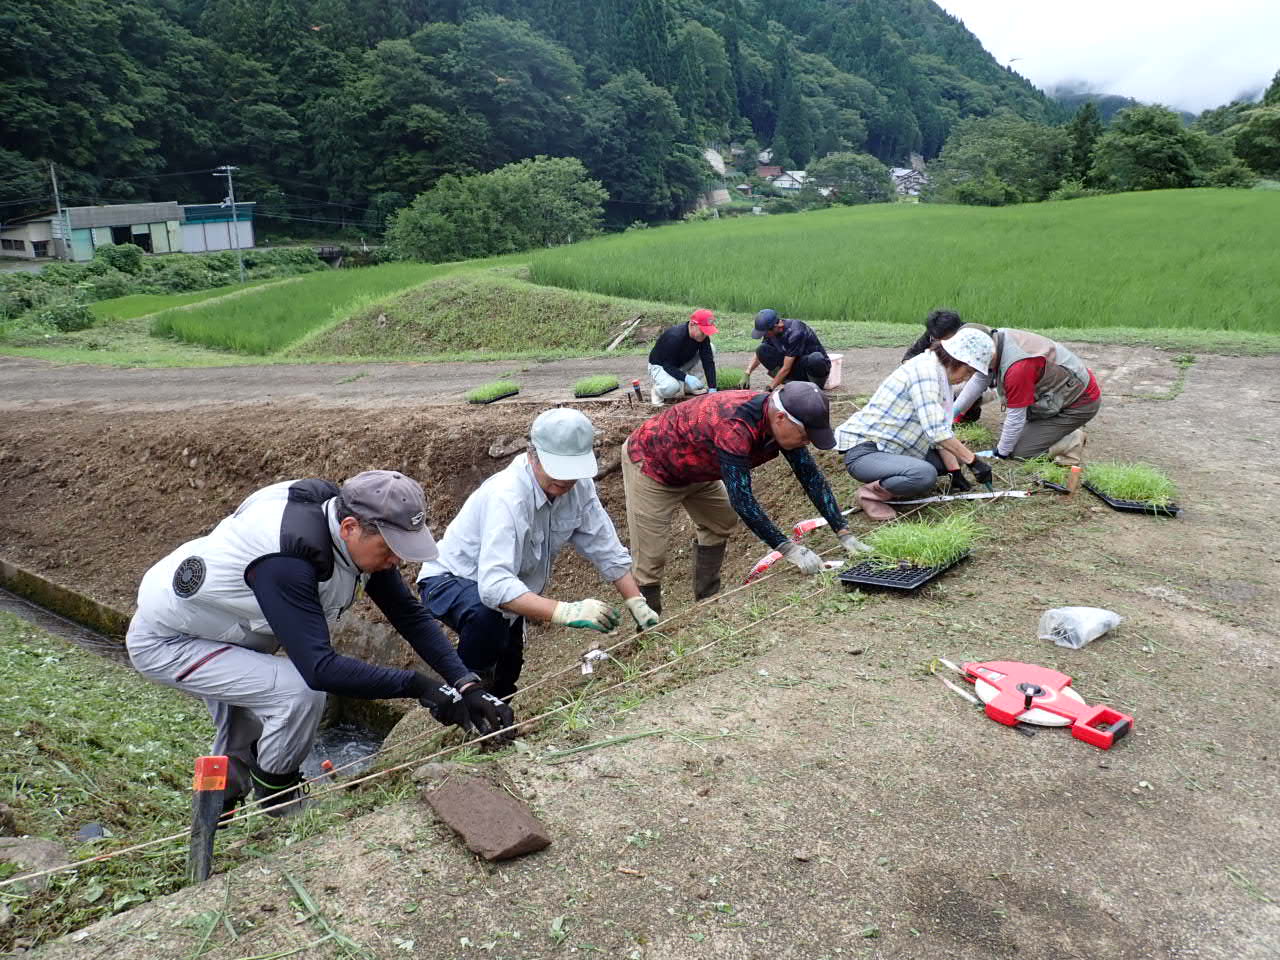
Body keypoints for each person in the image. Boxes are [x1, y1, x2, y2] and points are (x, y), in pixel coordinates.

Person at [126, 471, 513, 817]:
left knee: (245, 731)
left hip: (228, 625)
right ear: (350, 527)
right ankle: (279, 802)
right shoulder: (286, 560)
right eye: (390, 549)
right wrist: (423, 689)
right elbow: (318, 668)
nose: (397, 560)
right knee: (296, 693)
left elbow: (409, 616)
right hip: (172, 638)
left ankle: (219, 805)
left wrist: (466, 684)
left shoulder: (350, 529)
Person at [418, 408, 658, 700]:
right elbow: (493, 585)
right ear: (533, 455)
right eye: (557, 469)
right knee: (486, 622)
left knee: (508, 669)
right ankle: (464, 697)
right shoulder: (508, 496)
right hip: (450, 580)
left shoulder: (578, 487)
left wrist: (636, 601)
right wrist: (566, 611)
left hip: (509, 591)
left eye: (573, 471)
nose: (566, 481)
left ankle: (498, 716)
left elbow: (604, 545)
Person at [622, 381, 870, 613]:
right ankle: (649, 627)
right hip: (652, 465)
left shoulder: (782, 426)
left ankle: (707, 601)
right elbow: (743, 499)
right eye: (805, 436)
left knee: (720, 521)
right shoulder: (735, 426)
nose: (806, 442)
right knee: (650, 558)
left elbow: (810, 477)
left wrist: (843, 532)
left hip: (698, 465)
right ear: (782, 418)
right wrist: (789, 549)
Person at [834, 329, 995, 520]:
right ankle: (870, 496)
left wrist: (955, 472)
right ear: (955, 359)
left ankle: (901, 474)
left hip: (895, 446)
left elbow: (942, 428)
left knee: (953, 459)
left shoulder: (941, 376)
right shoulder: (925, 372)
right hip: (866, 450)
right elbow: (936, 432)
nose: (967, 378)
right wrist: (974, 462)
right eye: (968, 371)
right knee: (924, 475)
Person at [952, 327, 1101, 464]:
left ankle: (1072, 440)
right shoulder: (994, 340)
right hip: (1056, 394)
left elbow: (1016, 417)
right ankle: (1045, 430)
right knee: (1015, 436)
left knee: (1020, 452)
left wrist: (1000, 454)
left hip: (1080, 402)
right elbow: (981, 378)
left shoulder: (1018, 368)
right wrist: (953, 412)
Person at [901, 308, 991, 423]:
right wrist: (923, 374)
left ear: (958, 330)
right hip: (943, 378)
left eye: (946, 338)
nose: (941, 343)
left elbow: (983, 375)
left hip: (976, 382)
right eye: (937, 339)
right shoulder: (934, 333)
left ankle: (964, 414)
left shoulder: (972, 337)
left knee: (962, 387)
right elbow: (909, 357)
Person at [746, 309, 831, 390]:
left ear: (776, 326)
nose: (764, 336)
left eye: (765, 333)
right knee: (762, 349)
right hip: (795, 365)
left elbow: (787, 367)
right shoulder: (771, 333)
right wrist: (747, 373)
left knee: (816, 358)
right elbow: (759, 354)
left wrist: (770, 388)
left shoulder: (796, 333)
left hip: (813, 367)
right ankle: (790, 383)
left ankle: (814, 388)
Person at [648, 308, 719, 404]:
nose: (705, 335)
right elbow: (667, 366)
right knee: (672, 387)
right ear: (692, 324)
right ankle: (657, 392)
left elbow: (708, 361)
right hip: (661, 366)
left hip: (681, 363)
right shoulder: (674, 337)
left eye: (707, 332)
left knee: (711, 348)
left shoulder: (702, 337)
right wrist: (686, 377)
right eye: (703, 331)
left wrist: (712, 388)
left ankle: (688, 387)